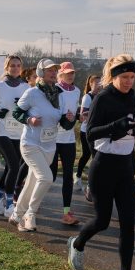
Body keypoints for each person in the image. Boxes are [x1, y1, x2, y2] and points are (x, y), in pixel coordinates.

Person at [67, 54, 135, 270]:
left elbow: (131, 125)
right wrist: (117, 126)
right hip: (103, 166)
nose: (129, 81)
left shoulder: (133, 97)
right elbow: (90, 133)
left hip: (125, 167)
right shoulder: (102, 98)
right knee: (102, 221)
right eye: (124, 77)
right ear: (113, 76)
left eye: (132, 77)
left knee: (129, 223)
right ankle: (77, 243)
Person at [9, 59, 76, 231]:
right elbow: (16, 112)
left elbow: (63, 123)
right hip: (31, 144)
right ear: (40, 73)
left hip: (49, 146)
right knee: (46, 178)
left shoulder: (58, 95)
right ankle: (30, 213)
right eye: (49, 70)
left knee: (33, 181)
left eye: (55, 70)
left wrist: (69, 120)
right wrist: (29, 119)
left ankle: (17, 215)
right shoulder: (32, 93)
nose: (53, 73)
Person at [0, 56, 30, 216]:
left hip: (18, 132)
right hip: (1, 131)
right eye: (12, 65)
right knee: (14, 166)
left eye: (18, 65)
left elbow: (30, 106)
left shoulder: (26, 87)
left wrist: (24, 107)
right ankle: (9, 203)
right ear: (7, 67)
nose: (15, 68)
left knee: (10, 168)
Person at [53, 61, 82, 225]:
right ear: (61, 74)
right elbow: (53, 111)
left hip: (69, 139)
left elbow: (75, 110)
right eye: (67, 73)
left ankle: (66, 212)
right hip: (53, 137)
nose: (71, 75)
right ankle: (28, 203)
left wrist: (78, 116)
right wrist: (64, 117)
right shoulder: (55, 89)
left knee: (68, 176)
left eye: (73, 73)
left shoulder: (77, 91)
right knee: (49, 176)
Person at [77, 74, 102, 194]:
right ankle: (79, 177)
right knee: (89, 155)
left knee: (93, 156)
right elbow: (83, 116)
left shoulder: (102, 96)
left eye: (100, 83)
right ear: (91, 84)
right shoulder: (88, 97)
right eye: (96, 83)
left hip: (98, 131)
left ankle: (92, 182)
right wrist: (95, 115)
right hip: (86, 131)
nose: (99, 85)